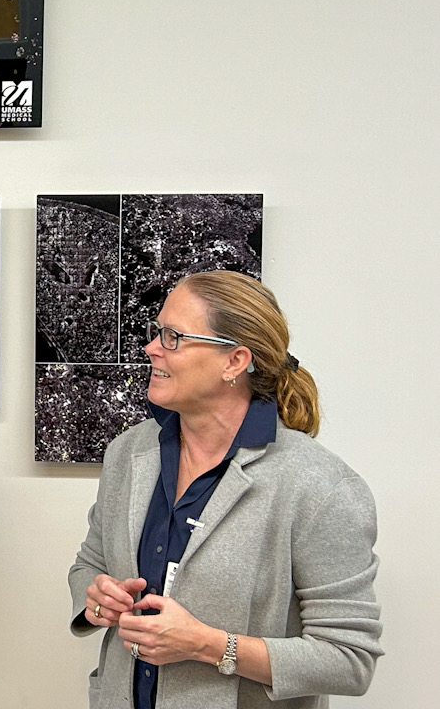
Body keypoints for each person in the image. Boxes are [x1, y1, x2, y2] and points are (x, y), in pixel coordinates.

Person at [68, 270, 382, 709]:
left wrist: (207, 645)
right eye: (156, 331)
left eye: (173, 337)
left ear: (234, 362)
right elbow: (90, 562)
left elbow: (349, 660)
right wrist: (98, 597)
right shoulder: (129, 452)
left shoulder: (320, 486)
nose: (151, 347)